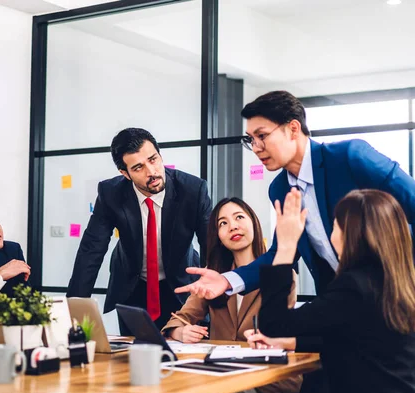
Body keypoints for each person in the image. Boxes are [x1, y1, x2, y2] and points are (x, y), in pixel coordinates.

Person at [174, 90, 415, 300]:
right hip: (346, 306)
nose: (256, 147)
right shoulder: (279, 189)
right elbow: (282, 253)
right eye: (251, 140)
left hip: (400, 298)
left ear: (293, 128)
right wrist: (227, 280)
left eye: (262, 136)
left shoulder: (351, 157)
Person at [245, 188, 415, 393]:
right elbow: (358, 341)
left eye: (334, 226)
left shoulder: (353, 286)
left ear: (350, 234)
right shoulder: (398, 284)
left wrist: (286, 247)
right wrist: (289, 343)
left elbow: (273, 325)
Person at [66, 128, 212, 335]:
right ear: (125, 174)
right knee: (132, 356)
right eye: (138, 167)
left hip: (181, 287)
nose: (151, 172)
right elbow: (91, 250)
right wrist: (73, 312)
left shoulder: (193, 189)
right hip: (132, 289)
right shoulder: (111, 194)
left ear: (160, 156)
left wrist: (209, 298)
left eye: (153, 159)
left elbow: (210, 245)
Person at [162, 198, 301, 393]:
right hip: (220, 374)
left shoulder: (280, 273)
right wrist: (180, 331)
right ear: (218, 236)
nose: (233, 226)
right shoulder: (213, 277)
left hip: (267, 378)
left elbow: (280, 330)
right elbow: (180, 318)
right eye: (223, 223)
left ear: (254, 222)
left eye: (239, 217)